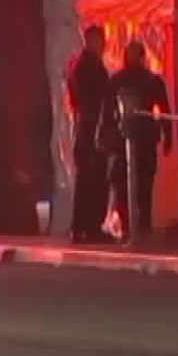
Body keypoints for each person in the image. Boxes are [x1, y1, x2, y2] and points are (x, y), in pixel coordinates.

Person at [105, 40, 173, 241]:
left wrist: (168, 136)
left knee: (139, 184)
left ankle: (138, 225)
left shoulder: (142, 80)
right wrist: (168, 136)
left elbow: (164, 110)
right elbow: (108, 112)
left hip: (136, 137)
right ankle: (134, 225)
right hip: (128, 139)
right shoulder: (121, 80)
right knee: (132, 185)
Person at [65, 24, 114, 243]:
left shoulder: (78, 65)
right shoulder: (90, 66)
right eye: (101, 41)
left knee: (85, 180)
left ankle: (81, 226)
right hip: (92, 129)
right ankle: (91, 227)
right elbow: (98, 100)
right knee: (95, 180)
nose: (104, 46)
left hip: (84, 128)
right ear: (93, 41)